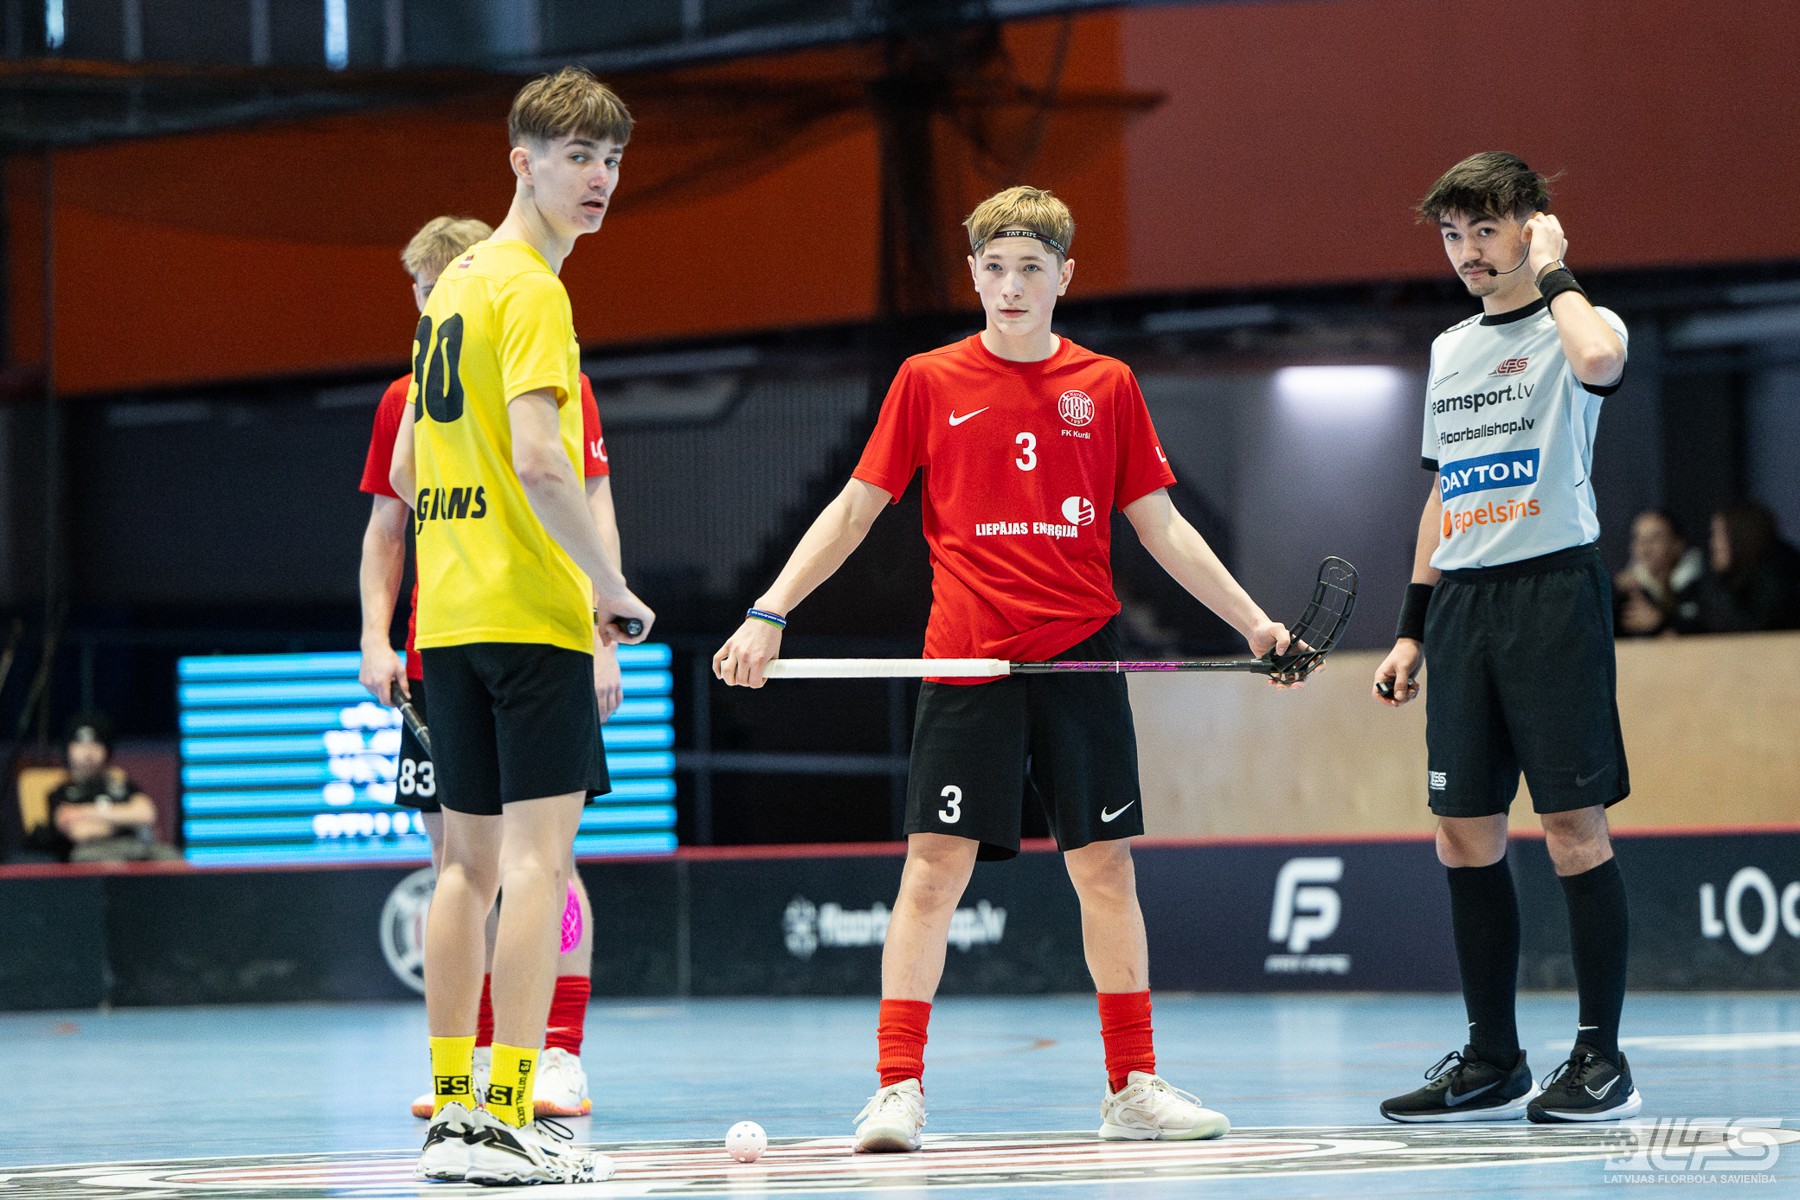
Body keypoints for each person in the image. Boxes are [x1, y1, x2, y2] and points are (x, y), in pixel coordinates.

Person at [714, 186, 1292, 1152]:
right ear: (974, 276)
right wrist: (770, 610)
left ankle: (1132, 1087)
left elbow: (1163, 529)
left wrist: (1257, 624)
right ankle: (897, 1090)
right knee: (931, 873)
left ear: (1065, 277)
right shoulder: (927, 380)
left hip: (1080, 659)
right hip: (967, 659)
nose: (1012, 286)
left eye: (1031, 268)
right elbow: (854, 511)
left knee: (1105, 870)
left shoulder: (1107, 385)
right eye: (995, 268)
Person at [394, 67, 653, 1187]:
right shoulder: (533, 290)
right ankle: (507, 1116)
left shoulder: (452, 288)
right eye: (576, 157)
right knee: (540, 864)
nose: (598, 179)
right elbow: (546, 462)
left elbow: (413, 468)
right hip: (529, 616)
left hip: (448, 620)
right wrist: (609, 588)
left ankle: (453, 1113)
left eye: (611, 160)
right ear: (522, 162)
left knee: (466, 868)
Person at [1373, 152, 1639, 1124]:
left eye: (1486, 230)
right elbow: (1444, 493)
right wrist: (1410, 629)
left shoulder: (1582, 324)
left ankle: (1603, 1058)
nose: (1467, 252)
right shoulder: (1448, 350)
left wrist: (1557, 270)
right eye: (1453, 235)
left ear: (1533, 226)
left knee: (1572, 829)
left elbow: (1601, 364)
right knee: (1462, 832)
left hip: (1553, 596)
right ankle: (1493, 1058)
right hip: (1464, 610)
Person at [357, 214, 620, 1122]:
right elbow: (390, 520)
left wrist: (602, 630)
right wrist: (376, 637)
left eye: (445, 289)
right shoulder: (411, 393)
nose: (436, 305)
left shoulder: (557, 377)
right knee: (469, 863)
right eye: (425, 293)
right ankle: (475, 1078)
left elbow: (588, 494)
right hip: (457, 644)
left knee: (544, 861)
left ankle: (558, 1055)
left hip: (523, 630)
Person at [24, 713, 178, 863]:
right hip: (94, 852)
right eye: (80, 744)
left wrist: (84, 812)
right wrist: (127, 822)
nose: (88, 753)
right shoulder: (60, 792)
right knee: (104, 864)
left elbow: (147, 814)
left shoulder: (121, 784)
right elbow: (80, 832)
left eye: (95, 744)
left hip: (136, 847)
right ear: (68, 749)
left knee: (170, 857)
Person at [1692, 500, 1800, 633]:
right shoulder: (1724, 579)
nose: (1713, 544)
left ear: (1741, 536)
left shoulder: (1779, 578)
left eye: (1719, 534)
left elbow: (1750, 630)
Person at [1612, 508, 1702, 637]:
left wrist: (1660, 622)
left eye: (1655, 538)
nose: (1644, 548)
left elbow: (1707, 628)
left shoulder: (1699, 586)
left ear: (1677, 544)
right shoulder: (1625, 590)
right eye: (1638, 539)